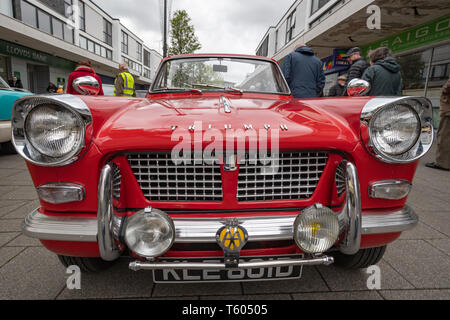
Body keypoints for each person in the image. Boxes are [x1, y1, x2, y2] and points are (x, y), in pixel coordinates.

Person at [426, 76, 450, 171]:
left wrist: (444, 89)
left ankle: (442, 163)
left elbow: (448, 87)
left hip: (448, 110)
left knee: (444, 136)